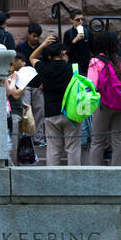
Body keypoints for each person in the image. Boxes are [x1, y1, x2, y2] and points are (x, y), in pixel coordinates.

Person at [29, 36, 80, 166]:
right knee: (72, 148)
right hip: (71, 112)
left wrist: (43, 44)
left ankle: (52, 178)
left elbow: (32, 58)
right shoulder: (73, 69)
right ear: (63, 53)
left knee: (53, 149)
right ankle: (75, 179)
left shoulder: (44, 69)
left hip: (51, 113)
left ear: (49, 56)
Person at [88, 31, 121, 166]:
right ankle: (118, 172)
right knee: (119, 139)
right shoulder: (119, 60)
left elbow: (91, 85)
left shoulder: (95, 61)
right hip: (120, 104)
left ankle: (95, 173)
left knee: (97, 141)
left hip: (103, 105)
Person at [16, 24, 46, 148]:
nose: (35, 39)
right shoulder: (21, 47)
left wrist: (45, 81)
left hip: (38, 84)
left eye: (38, 36)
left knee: (40, 111)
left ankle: (38, 138)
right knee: (26, 111)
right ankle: (26, 137)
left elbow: (45, 66)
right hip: (25, 83)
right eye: (33, 36)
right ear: (28, 34)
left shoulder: (42, 48)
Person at [5, 56, 28, 165]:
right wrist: (25, 83)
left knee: (16, 143)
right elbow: (14, 94)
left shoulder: (13, 76)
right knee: (13, 144)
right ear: (13, 62)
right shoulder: (10, 76)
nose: (24, 63)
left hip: (16, 112)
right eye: (21, 61)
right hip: (13, 114)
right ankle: (13, 168)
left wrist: (23, 104)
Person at [62, 11, 92, 76]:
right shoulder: (68, 34)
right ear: (71, 20)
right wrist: (75, 40)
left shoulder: (87, 32)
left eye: (82, 19)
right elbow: (65, 51)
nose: (81, 22)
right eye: (78, 20)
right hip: (73, 65)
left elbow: (93, 48)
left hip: (86, 66)